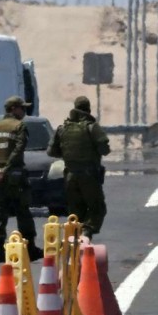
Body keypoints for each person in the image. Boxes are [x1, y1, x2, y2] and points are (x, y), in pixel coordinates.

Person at [0, 96, 44, 264]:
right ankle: (30, 249)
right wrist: (5, 170)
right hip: (14, 176)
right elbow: (18, 151)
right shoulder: (19, 126)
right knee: (23, 211)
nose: (24, 111)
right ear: (13, 109)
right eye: (21, 108)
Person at [47, 96, 111, 239]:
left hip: (70, 176)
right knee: (97, 208)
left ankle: (74, 240)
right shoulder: (91, 127)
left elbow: (51, 151)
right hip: (88, 175)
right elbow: (105, 150)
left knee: (75, 212)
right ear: (88, 109)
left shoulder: (62, 129)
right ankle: (87, 232)